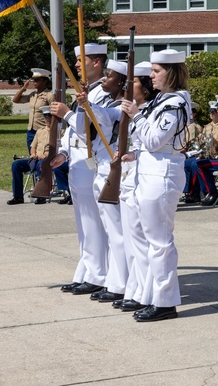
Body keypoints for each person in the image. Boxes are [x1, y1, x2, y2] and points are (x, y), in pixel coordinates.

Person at [120, 49, 192, 322]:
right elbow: (149, 147)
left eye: (156, 71)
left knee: (160, 243)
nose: (151, 76)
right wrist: (134, 154)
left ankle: (165, 302)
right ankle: (153, 295)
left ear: (171, 73)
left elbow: (154, 141)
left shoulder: (175, 104)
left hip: (161, 176)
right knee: (150, 241)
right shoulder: (163, 101)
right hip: (149, 172)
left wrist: (137, 115)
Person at [49, 42, 113, 296]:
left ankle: (98, 274)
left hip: (91, 162)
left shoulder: (103, 94)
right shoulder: (84, 92)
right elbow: (71, 134)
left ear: (96, 62)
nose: (76, 64)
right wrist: (63, 152)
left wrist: (66, 114)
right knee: (84, 223)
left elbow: (93, 132)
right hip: (77, 161)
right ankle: (87, 270)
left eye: (81, 60)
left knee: (93, 222)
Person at [78, 59, 128, 303]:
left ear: (121, 82)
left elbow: (106, 118)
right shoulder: (108, 100)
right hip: (101, 165)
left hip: (112, 167)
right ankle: (113, 280)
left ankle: (120, 284)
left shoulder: (123, 105)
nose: (104, 79)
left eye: (109, 76)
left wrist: (88, 104)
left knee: (116, 230)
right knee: (110, 230)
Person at [115, 61, 154, 312]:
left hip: (146, 176)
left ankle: (146, 293)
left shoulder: (151, 109)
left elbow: (155, 143)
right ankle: (136, 289)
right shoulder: (137, 108)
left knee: (143, 241)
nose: (129, 87)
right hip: (132, 175)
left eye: (135, 82)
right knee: (131, 239)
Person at [7, 106, 69, 204]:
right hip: (36, 158)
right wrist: (33, 154)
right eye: (46, 117)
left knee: (41, 165)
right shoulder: (40, 131)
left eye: (50, 117)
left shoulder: (60, 132)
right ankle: (18, 196)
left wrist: (47, 155)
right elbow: (33, 146)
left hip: (49, 159)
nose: (48, 119)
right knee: (16, 165)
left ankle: (41, 194)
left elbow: (62, 149)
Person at [12, 68, 52, 155]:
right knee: (32, 155)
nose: (34, 82)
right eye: (33, 80)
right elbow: (16, 100)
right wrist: (23, 88)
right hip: (31, 130)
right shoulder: (33, 95)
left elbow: (54, 112)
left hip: (42, 130)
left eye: (37, 80)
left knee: (42, 154)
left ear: (44, 81)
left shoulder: (49, 95)